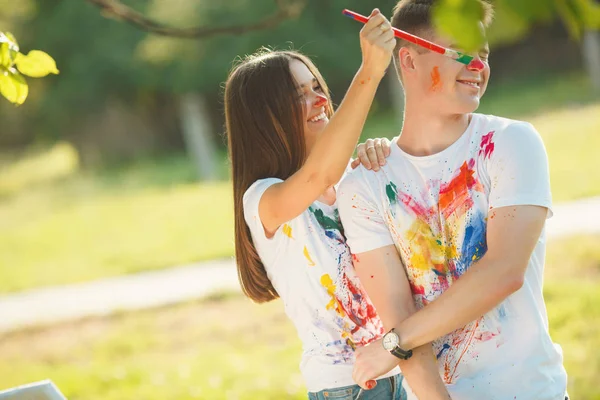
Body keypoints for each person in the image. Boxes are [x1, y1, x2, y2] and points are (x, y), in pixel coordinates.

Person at [337, 1, 569, 399]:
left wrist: (393, 344)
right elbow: (398, 311)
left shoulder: (511, 143)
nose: (478, 67)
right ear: (408, 60)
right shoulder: (364, 183)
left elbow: (504, 271)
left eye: (483, 55)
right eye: (461, 52)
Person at [224, 8, 451, 400]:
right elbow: (317, 177)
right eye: (298, 96)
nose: (319, 100)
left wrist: (379, 162)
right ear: (265, 119)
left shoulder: (354, 176)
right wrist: (370, 71)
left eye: (316, 87)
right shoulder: (263, 199)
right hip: (348, 389)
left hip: (412, 369)